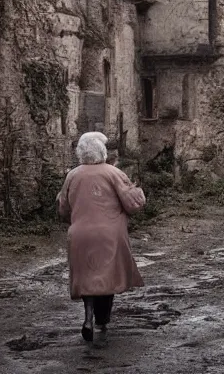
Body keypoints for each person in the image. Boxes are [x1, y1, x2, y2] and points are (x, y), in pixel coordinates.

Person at [57, 132, 146, 348]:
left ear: (80, 154)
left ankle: (88, 317)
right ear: (103, 152)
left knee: (88, 277)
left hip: (80, 234)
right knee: (107, 276)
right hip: (109, 234)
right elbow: (134, 203)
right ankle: (102, 321)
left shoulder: (72, 175)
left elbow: (63, 208)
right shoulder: (113, 173)